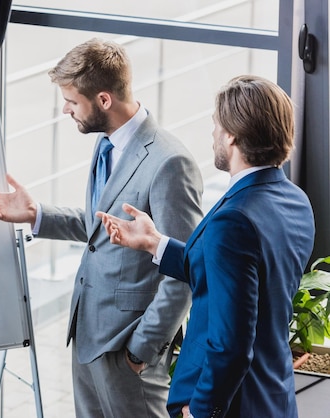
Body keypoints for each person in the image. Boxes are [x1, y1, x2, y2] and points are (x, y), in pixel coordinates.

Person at [0, 38, 203, 417]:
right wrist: (36, 214)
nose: (65, 109)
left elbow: (185, 268)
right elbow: (103, 228)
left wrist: (141, 348)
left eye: (72, 101)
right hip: (88, 336)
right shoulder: (107, 145)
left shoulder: (169, 163)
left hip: (129, 348)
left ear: (104, 100)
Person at [98, 75, 315, 418]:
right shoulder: (294, 200)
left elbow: (231, 343)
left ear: (231, 135)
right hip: (273, 396)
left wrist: (200, 411)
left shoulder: (235, 220)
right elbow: (237, 276)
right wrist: (155, 243)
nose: (212, 133)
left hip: (231, 405)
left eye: (215, 124)